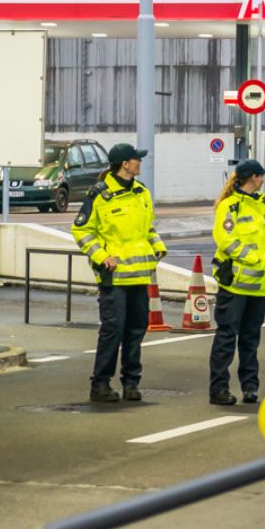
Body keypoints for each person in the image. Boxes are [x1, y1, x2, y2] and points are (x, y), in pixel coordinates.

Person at [71, 143, 166, 403]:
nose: (140, 162)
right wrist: (102, 257)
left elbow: (147, 228)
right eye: (137, 159)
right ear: (125, 163)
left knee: (136, 329)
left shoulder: (141, 192)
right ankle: (100, 384)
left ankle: (131, 383)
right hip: (113, 277)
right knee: (113, 330)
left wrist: (157, 246)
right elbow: (81, 231)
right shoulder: (100, 194)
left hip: (139, 275)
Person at [209, 159, 265, 406]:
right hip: (234, 286)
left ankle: (250, 387)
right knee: (227, 337)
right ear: (253, 177)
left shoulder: (260, 205)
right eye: (261, 175)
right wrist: (255, 258)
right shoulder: (229, 207)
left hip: (258, 286)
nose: (264, 179)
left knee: (251, 339)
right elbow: (226, 241)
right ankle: (219, 389)